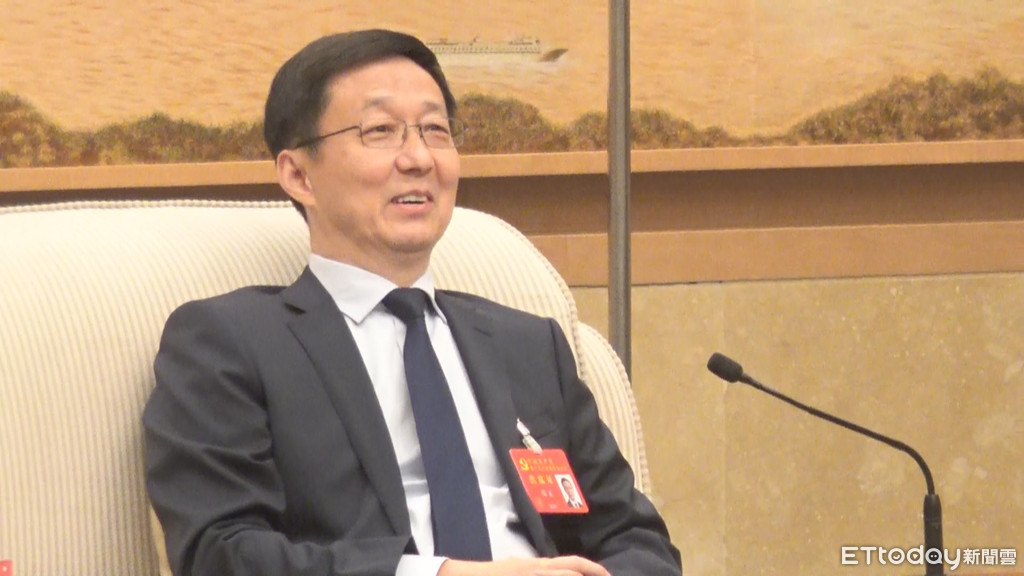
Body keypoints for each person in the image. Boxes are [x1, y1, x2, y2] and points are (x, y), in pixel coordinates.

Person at [143, 28, 681, 576]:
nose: (419, 157)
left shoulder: (528, 345)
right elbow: (220, 553)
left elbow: (636, 538)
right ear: (299, 175)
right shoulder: (228, 343)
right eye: (380, 131)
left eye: (435, 130)